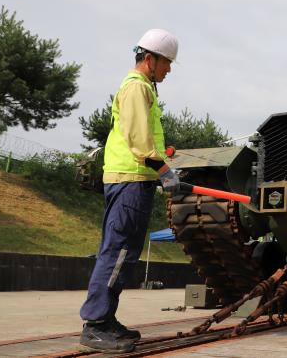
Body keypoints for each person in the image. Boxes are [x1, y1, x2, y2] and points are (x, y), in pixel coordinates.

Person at [79, 29, 182, 353]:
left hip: (129, 179)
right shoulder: (138, 88)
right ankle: (95, 324)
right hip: (131, 181)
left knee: (121, 250)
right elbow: (139, 140)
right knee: (118, 251)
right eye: (167, 62)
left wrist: (161, 155)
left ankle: (105, 319)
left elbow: (139, 136)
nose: (169, 69)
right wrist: (165, 171)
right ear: (149, 59)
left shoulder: (138, 87)